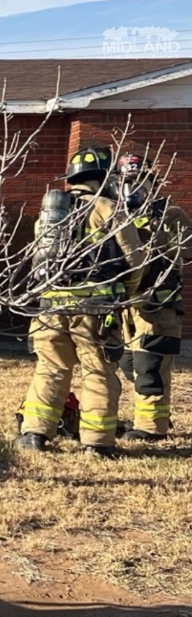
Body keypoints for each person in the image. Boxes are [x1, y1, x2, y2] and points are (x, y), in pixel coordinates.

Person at [16, 145, 146, 457]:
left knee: (50, 369)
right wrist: (127, 294)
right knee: (98, 372)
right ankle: (97, 443)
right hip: (95, 311)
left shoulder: (49, 216)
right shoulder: (109, 207)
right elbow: (135, 260)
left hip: (50, 308)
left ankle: (34, 434)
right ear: (104, 178)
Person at [114, 153, 192, 442]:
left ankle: (151, 427)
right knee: (127, 363)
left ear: (152, 184)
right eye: (125, 182)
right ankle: (157, 414)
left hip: (159, 305)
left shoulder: (170, 214)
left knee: (150, 366)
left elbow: (188, 251)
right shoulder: (116, 215)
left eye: (138, 182)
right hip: (126, 306)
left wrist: (163, 237)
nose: (131, 189)